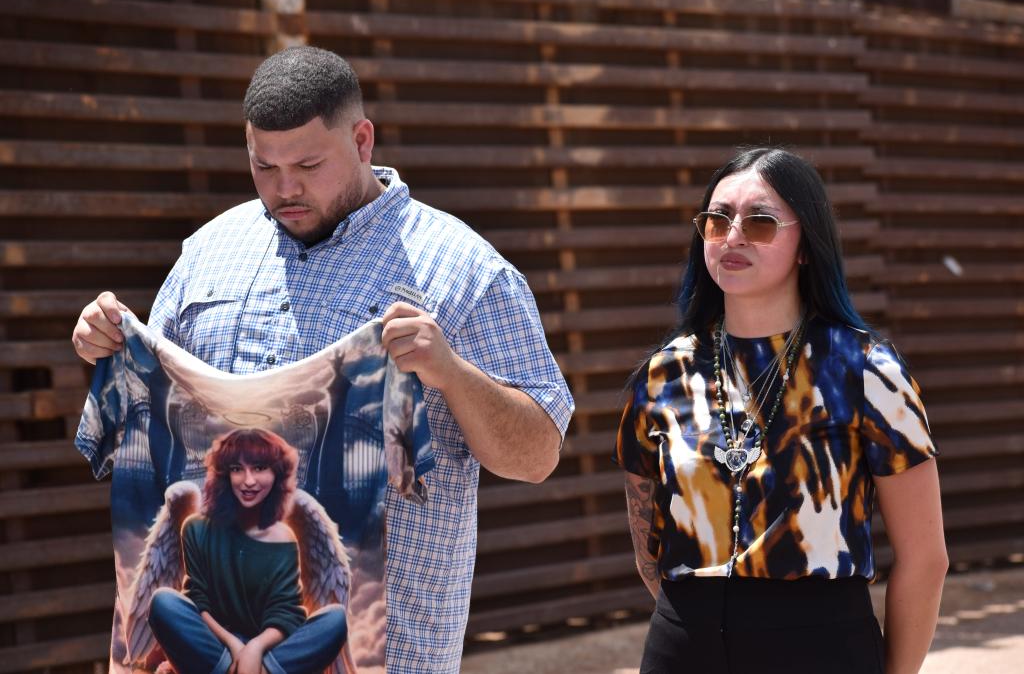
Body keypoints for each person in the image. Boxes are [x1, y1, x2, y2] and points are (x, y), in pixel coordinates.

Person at [71, 45, 574, 671]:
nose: (286, 190)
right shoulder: (208, 252)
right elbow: (140, 423)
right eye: (264, 168)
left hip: (388, 651)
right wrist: (104, 347)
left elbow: (537, 454)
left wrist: (448, 370)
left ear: (362, 141)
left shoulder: (463, 268)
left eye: (309, 164)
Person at [615, 148, 946, 674]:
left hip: (821, 646)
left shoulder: (866, 369)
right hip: (685, 644)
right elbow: (648, 546)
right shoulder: (663, 373)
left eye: (761, 222)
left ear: (807, 247)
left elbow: (926, 560)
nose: (733, 235)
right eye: (717, 220)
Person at [148, 428, 348, 674]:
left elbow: (286, 613)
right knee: (163, 602)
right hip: (216, 646)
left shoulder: (284, 538)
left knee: (335, 619)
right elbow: (197, 600)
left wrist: (255, 647)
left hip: (267, 652)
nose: (249, 480)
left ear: (277, 474)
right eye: (236, 469)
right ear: (225, 475)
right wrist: (234, 645)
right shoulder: (197, 529)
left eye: (260, 468)